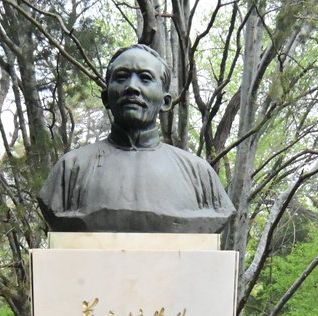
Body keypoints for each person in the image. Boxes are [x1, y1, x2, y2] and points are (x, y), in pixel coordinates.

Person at [38, 43, 234, 234]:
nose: (132, 87)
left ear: (166, 101)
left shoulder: (199, 174)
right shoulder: (70, 169)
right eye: (122, 78)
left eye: (145, 78)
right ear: (106, 98)